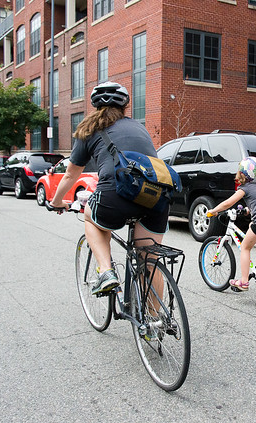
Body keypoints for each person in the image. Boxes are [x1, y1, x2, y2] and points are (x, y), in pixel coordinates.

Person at [50, 81, 169, 295]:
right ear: (125, 107)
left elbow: (70, 174)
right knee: (148, 263)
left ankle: (105, 271)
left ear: (96, 107)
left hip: (116, 192)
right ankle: (156, 323)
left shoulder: (88, 129)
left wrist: (56, 201)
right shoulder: (139, 127)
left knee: (91, 218)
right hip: (156, 195)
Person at [207, 156, 256, 291]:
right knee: (252, 227)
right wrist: (248, 210)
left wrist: (214, 211)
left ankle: (243, 281)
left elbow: (228, 203)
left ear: (243, 174)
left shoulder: (245, 188)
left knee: (245, 247)